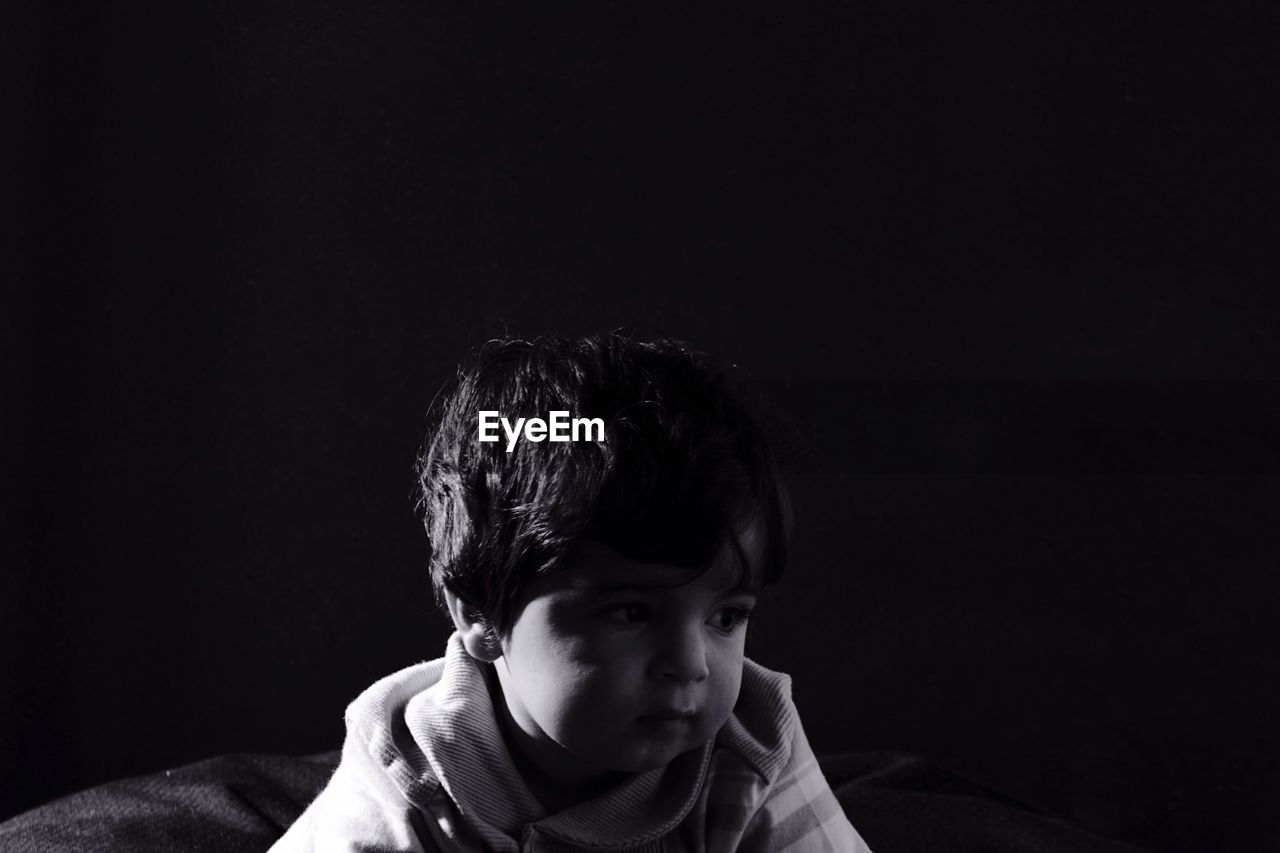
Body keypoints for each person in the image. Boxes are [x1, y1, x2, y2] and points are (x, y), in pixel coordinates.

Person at [271, 334, 871, 852]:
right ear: (479, 613)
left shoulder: (751, 742)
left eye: (727, 616)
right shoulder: (414, 770)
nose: (690, 666)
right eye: (633, 612)